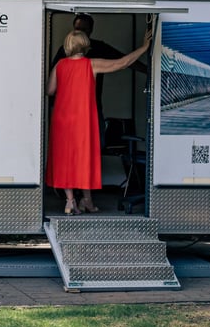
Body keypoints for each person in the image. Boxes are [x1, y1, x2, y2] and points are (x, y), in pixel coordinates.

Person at [46, 28, 152, 215]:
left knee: (65, 158)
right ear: (85, 44)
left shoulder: (60, 65)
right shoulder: (91, 64)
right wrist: (144, 47)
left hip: (62, 119)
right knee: (85, 158)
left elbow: (50, 90)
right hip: (83, 120)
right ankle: (86, 200)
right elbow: (122, 63)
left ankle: (71, 201)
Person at [51, 13, 147, 148]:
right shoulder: (85, 61)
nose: (80, 33)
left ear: (90, 30)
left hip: (89, 109)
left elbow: (122, 61)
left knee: (83, 147)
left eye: (84, 29)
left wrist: (148, 71)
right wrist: (144, 48)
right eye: (77, 29)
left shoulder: (95, 49)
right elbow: (122, 63)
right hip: (75, 111)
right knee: (86, 148)